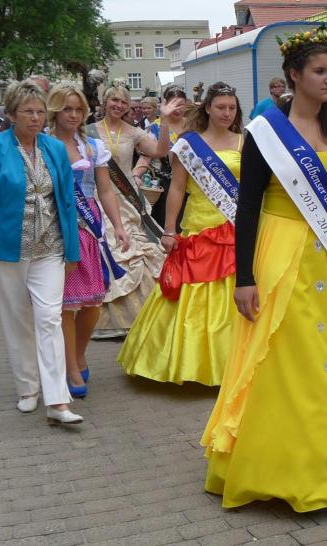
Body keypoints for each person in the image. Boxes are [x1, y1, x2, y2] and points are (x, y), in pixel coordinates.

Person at [200, 25, 327, 511]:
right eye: (319, 71)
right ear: (294, 75)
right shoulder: (265, 133)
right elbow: (247, 207)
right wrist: (245, 277)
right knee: (285, 356)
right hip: (282, 255)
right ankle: (283, 468)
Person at [0, 80, 83, 424]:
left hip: (50, 247)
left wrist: (72, 250)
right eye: (28, 112)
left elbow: (66, 201)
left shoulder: (54, 148)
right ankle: (27, 388)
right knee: (18, 320)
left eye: (40, 112)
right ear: (10, 114)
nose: (36, 118)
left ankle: (58, 402)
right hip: (6, 250)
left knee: (49, 318)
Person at [117, 82, 243, 385]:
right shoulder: (189, 144)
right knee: (194, 290)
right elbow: (177, 187)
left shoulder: (244, 141)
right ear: (207, 108)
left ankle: (237, 364)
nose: (226, 113)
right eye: (220, 107)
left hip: (235, 225)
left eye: (232, 108)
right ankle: (193, 364)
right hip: (199, 226)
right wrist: (170, 230)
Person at [47, 84, 130, 399]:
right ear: (55, 110)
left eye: (78, 109)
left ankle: (79, 352)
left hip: (89, 228)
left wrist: (118, 225)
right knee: (66, 305)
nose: (73, 115)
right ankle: (70, 366)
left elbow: (105, 190)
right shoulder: (43, 144)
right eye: (66, 109)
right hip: (56, 227)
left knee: (93, 303)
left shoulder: (93, 147)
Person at [87, 83, 183, 338]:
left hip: (127, 198)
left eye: (123, 102)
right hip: (96, 197)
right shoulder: (88, 131)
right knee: (104, 248)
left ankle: (144, 316)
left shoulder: (133, 132)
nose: (118, 105)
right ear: (105, 102)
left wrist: (164, 121)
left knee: (137, 250)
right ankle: (96, 317)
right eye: (114, 100)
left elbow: (160, 151)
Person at [134, 86, 189, 228]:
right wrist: (136, 174)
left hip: (190, 183)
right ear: (165, 105)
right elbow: (146, 157)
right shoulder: (155, 128)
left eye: (181, 105)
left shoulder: (193, 126)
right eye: (173, 105)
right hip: (165, 184)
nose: (178, 109)